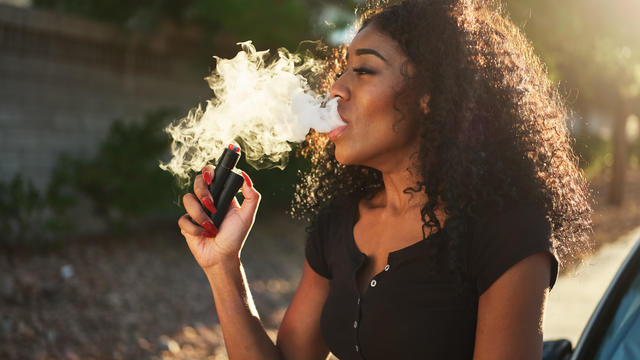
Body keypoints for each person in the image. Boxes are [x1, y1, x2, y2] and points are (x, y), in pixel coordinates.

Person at [178, 0, 593, 358]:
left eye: (363, 71)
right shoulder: (338, 223)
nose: (336, 89)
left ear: (431, 94)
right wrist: (223, 265)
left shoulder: (507, 233)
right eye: (342, 71)